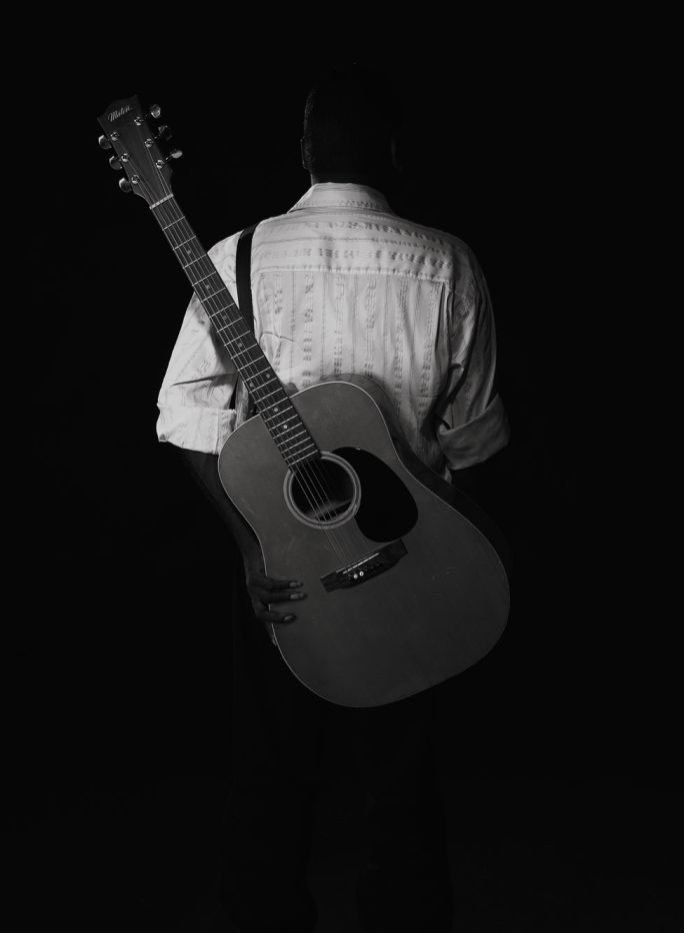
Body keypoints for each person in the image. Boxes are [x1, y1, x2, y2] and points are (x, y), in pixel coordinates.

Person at [156, 65, 510, 933]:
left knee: (269, 785)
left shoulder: (237, 257)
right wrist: (447, 550)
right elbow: (473, 441)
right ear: (394, 151)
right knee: (405, 794)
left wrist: (254, 546)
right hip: (415, 560)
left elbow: (185, 415)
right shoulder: (447, 262)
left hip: (282, 573)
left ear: (304, 150)